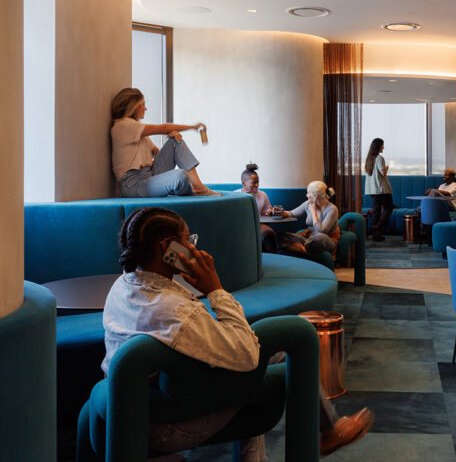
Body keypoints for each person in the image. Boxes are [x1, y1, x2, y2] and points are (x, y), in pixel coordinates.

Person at [103, 207, 373, 460]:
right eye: (187, 239)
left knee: (269, 355)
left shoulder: (122, 286)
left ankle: (305, 438)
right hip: (171, 425)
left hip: (131, 406)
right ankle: (326, 432)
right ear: (167, 247)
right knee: (281, 360)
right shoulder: (175, 311)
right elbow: (247, 355)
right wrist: (216, 290)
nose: (192, 246)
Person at [110, 87, 220, 197]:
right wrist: (193, 127)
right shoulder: (123, 125)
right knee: (180, 176)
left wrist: (173, 138)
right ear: (134, 107)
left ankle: (199, 188)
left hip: (149, 174)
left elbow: (158, 153)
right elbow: (164, 128)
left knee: (175, 142)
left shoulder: (139, 132)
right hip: (133, 184)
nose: (145, 109)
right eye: (143, 105)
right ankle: (179, 188)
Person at [279, 181, 340, 261]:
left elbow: (321, 231)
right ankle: (306, 251)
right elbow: (292, 213)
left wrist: (313, 211)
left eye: (308, 193)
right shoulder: (308, 204)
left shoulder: (332, 209)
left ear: (315, 196)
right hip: (309, 239)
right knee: (281, 236)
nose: (306, 195)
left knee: (319, 237)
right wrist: (280, 212)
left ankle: (302, 248)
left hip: (326, 240)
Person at [236, 163, 278, 253]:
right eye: (253, 183)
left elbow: (266, 213)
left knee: (269, 233)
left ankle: (273, 262)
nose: (257, 185)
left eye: (258, 182)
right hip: (240, 227)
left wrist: (269, 213)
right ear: (243, 183)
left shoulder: (263, 195)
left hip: (258, 225)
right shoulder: (235, 196)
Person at [364, 138, 393, 242]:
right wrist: (387, 168)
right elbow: (383, 173)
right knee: (389, 207)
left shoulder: (369, 158)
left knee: (376, 210)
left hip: (372, 189)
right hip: (381, 189)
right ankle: (378, 226)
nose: (383, 147)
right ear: (378, 146)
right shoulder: (379, 158)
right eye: (382, 145)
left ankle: (375, 235)